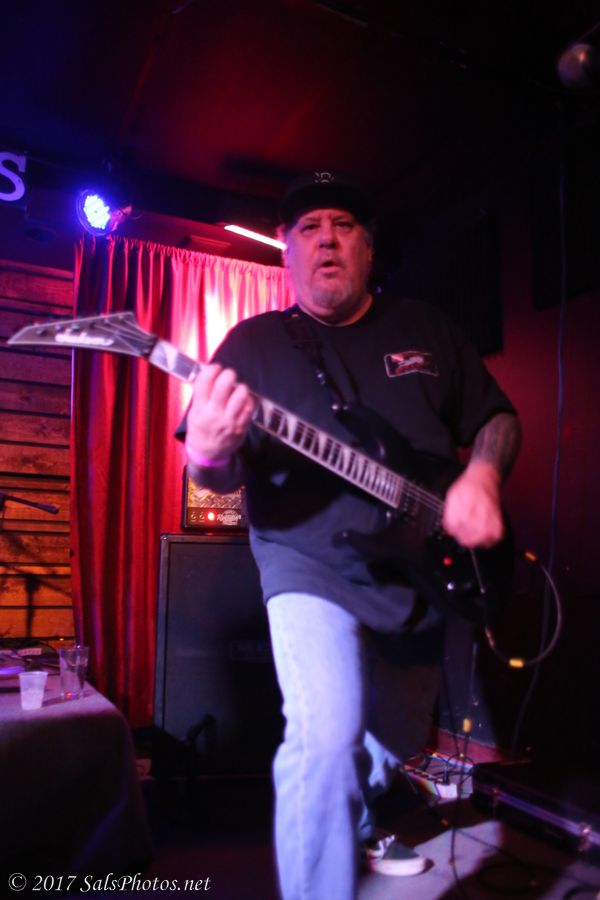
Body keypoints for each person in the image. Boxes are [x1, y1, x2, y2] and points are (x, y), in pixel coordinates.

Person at [181, 171, 520, 900]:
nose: (327, 239)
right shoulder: (252, 345)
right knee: (326, 739)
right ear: (287, 251)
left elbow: (496, 418)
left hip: (422, 574)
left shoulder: (426, 328)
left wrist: (484, 476)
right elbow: (214, 475)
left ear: (368, 247)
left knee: (390, 745)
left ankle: (360, 829)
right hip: (308, 565)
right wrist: (205, 451)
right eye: (309, 228)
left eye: (343, 225)